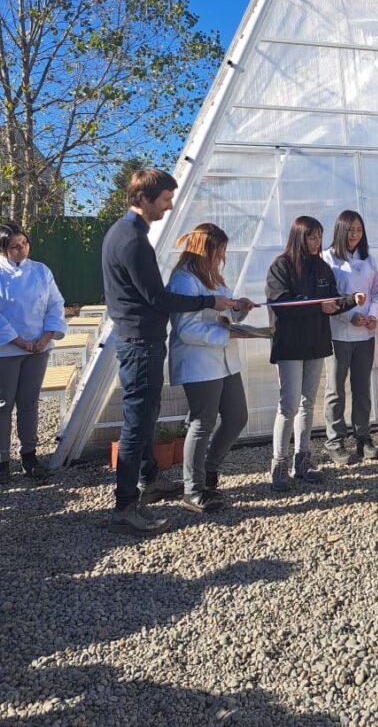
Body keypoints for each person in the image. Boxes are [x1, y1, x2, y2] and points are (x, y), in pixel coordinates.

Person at [102, 168, 235, 537]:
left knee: (145, 417)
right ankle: (124, 508)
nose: (169, 205)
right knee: (137, 424)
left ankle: (148, 481)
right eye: (164, 199)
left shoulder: (125, 233)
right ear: (143, 198)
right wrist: (210, 300)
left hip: (137, 340)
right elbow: (157, 298)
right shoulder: (130, 239)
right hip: (139, 343)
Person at [266, 216, 365, 492]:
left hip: (316, 344)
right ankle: (279, 462)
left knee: (307, 403)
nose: (316, 242)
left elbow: (329, 299)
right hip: (289, 346)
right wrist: (320, 307)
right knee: (287, 405)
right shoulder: (281, 266)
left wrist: (348, 301)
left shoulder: (321, 267)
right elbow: (281, 304)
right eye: (311, 237)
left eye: (319, 237)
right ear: (299, 236)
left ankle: (303, 458)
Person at [168, 224, 257, 513]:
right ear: (205, 250)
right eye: (219, 251)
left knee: (237, 416)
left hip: (223, 360)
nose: (222, 257)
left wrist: (239, 308)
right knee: (202, 422)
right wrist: (228, 334)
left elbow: (222, 311)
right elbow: (186, 329)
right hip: (199, 362)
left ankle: (208, 468)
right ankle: (193, 490)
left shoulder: (212, 277)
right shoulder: (184, 281)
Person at [0, 222, 67, 485]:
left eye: (25, 244)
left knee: (29, 402)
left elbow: (55, 304)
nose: (22, 250)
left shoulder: (40, 270)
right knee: (3, 404)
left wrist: (46, 336)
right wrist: (18, 341)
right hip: (6, 349)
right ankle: (2, 460)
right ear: (3, 249)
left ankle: (29, 454)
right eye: (15, 246)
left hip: (38, 347)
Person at [322, 210, 378, 465]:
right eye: (351, 230)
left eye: (359, 230)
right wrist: (350, 317)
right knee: (336, 390)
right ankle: (335, 441)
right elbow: (327, 297)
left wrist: (373, 315)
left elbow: (377, 291)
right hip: (338, 334)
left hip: (364, 335)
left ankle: (362, 436)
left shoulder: (367, 258)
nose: (355, 235)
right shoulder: (327, 259)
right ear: (340, 230)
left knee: (361, 388)